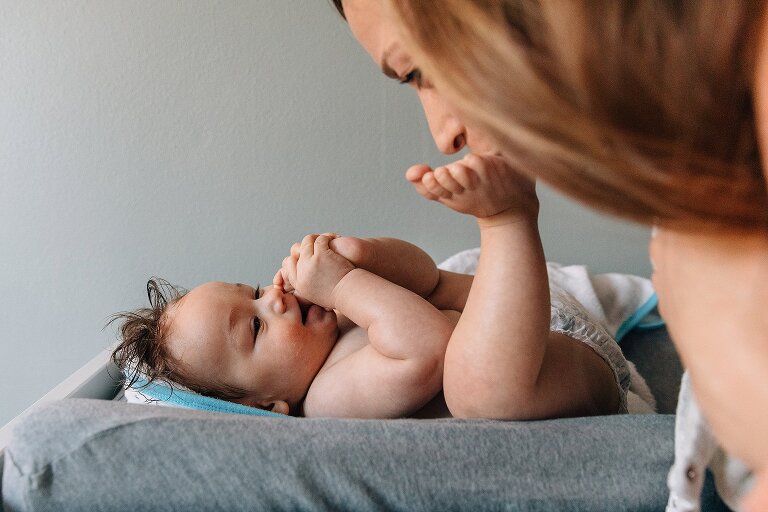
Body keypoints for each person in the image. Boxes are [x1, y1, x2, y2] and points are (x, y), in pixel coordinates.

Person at [331, 0, 768, 509]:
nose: (443, 136)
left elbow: (424, 299)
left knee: (481, 382)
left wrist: (343, 270)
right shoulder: (316, 396)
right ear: (264, 403)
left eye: (420, 69)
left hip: (550, 335)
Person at [110, 154, 629, 419]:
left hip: (537, 324)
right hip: (547, 365)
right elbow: (428, 350)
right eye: (254, 325)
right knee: (478, 389)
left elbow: (423, 280)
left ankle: (473, 233)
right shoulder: (327, 399)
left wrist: (359, 260)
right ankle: (508, 220)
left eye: (251, 291)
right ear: (268, 408)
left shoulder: (330, 336)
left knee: (425, 281)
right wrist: (345, 285)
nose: (271, 298)